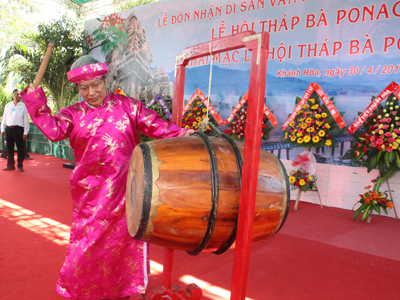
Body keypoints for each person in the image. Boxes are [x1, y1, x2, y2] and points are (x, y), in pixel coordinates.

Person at [21, 55, 193, 300]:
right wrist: (35, 102)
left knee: (126, 244)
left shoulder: (128, 106)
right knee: (88, 246)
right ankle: (84, 291)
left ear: (106, 80)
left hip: (127, 191)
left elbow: (155, 125)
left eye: (96, 84)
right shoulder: (73, 114)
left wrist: (183, 133)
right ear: (78, 88)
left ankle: (124, 291)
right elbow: (53, 130)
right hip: (91, 196)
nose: (91, 92)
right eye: (84, 87)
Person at [1, 89, 30, 172]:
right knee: (9, 148)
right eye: (15, 93)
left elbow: (26, 120)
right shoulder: (7, 106)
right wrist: (2, 129)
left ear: (21, 96)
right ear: (12, 96)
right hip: (9, 129)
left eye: (19, 93)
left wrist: (25, 132)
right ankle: (10, 165)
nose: (17, 95)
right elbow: (4, 118)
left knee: (20, 148)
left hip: (18, 129)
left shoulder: (23, 106)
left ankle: (20, 165)